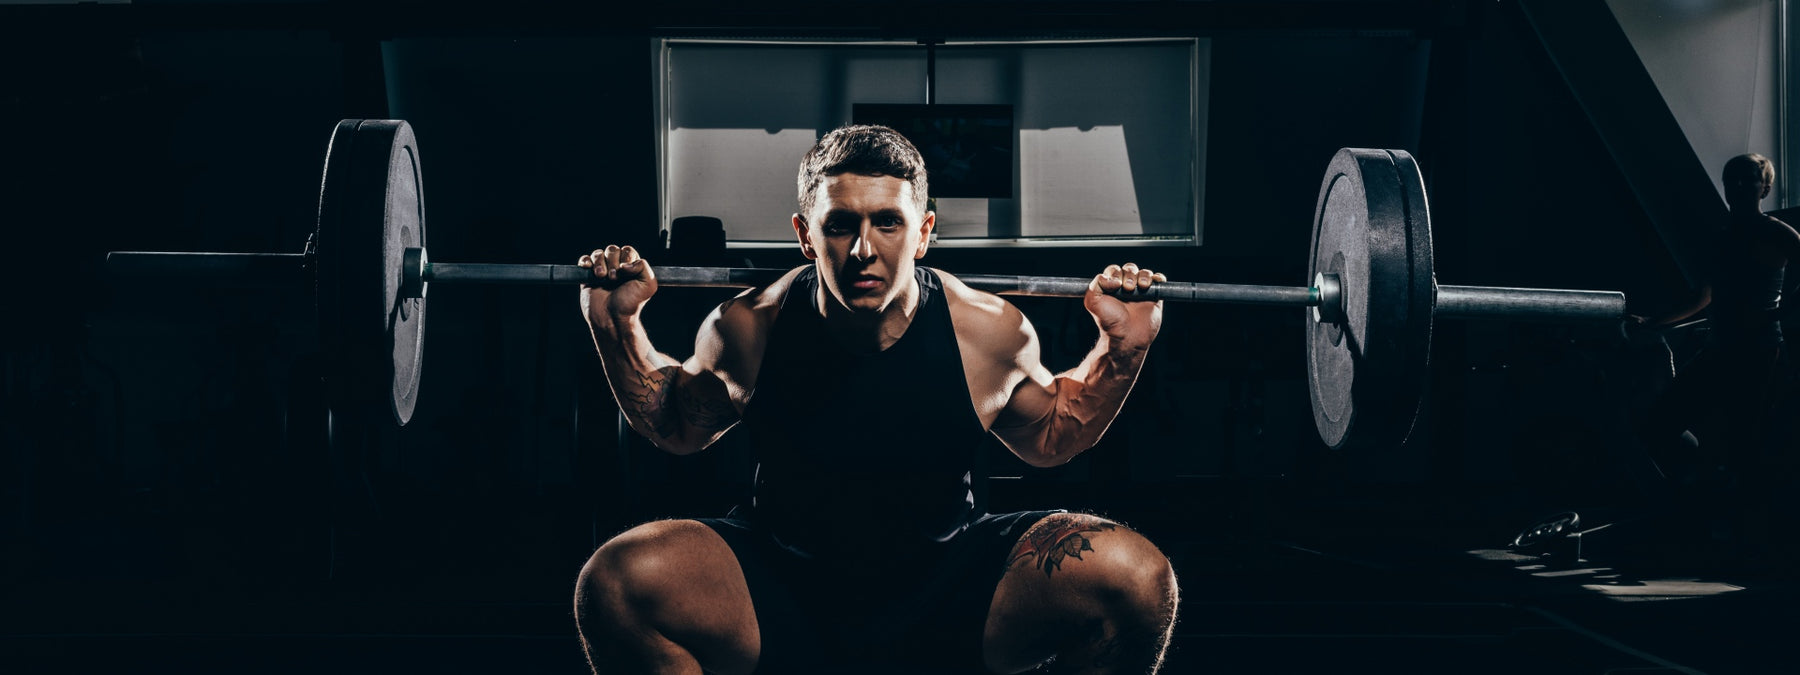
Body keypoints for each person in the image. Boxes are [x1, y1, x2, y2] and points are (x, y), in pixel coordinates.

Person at [572, 125, 1179, 674]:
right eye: (840, 224)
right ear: (805, 236)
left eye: (888, 222)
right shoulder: (748, 328)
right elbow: (679, 426)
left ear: (924, 234)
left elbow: (1051, 439)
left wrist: (1122, 348)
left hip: (948, 588)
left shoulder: (987, 332)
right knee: (618, 582)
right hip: (782, 586)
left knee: (1134, 578)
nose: (864, 249)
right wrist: (615, 325)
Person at [1631, 153, 1800, 556]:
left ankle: (1740, 536)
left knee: (1745, 443)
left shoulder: (1778, 234)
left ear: (1765, 187)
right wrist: (1654, 322)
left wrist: (1776, 313)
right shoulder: (1721, 238)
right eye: (1731, 179)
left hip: (1758, 353)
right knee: (1661, 425)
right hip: (1720, 348)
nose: (1737, 187)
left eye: (1747, 180)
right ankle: (1708, 502)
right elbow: (1703, 297)